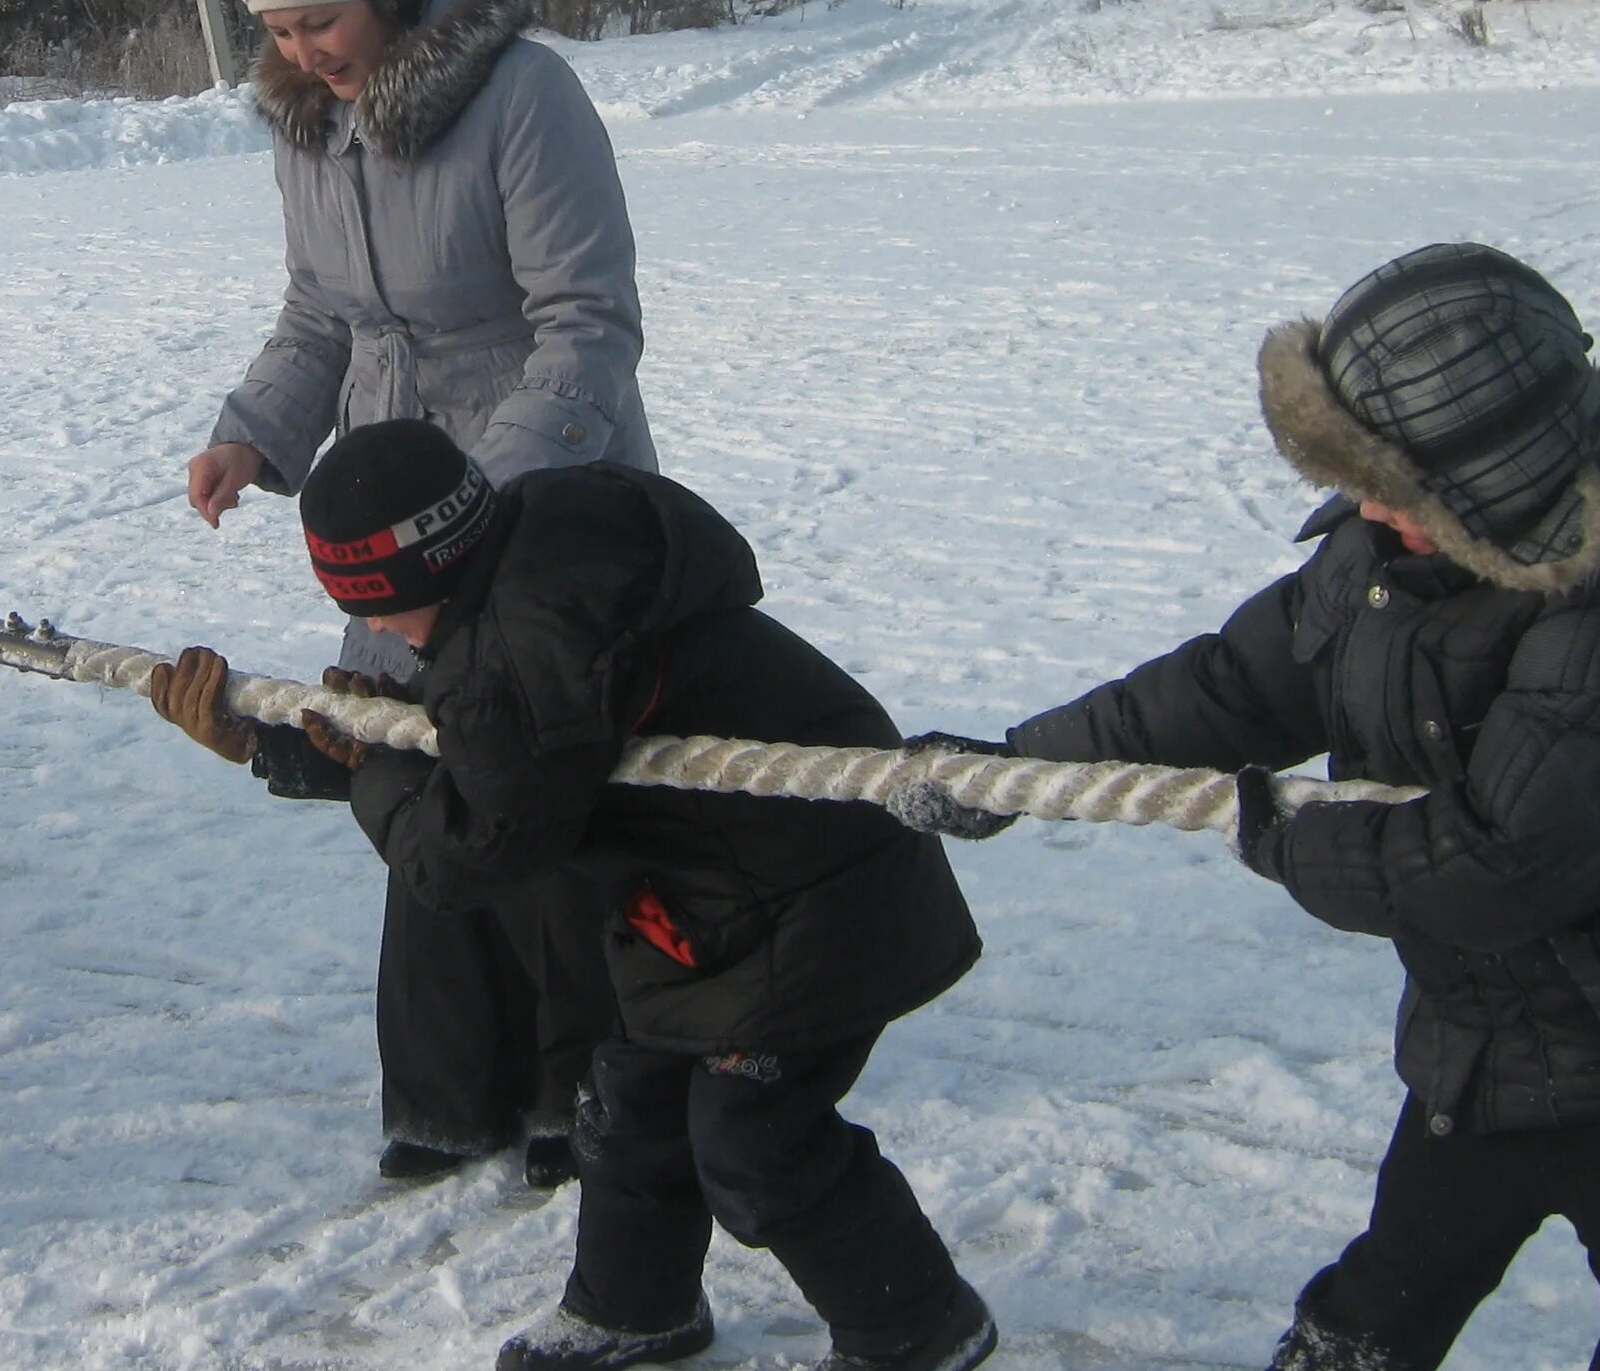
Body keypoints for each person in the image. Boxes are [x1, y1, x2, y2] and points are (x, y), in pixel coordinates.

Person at [978, 244, 1600, 1371]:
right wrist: (1017, 764)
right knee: (1371, 1317)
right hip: (1486, 1050)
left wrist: (1284, 832)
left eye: (1394, 485)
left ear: (1495, 485)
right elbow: (1236, 683)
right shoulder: (1378, 558)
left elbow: (1498, 863)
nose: (1361, 504)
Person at [158, 422, 993, 1371]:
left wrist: (367, 772)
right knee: (631, 1102)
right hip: (711, 892)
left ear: (424, 574)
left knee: (754, 1134)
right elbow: (500, 768)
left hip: (815, 903)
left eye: (378, 609)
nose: (378, 632)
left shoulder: (521, 658)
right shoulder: (541, 558)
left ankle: (920, 1325)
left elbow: (468, 853)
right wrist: (298, 747)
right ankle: (635, 1308)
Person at [183, 0, 633, 1183]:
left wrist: (486, 495)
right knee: (419, 774)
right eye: (275, 25)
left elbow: (587, 323)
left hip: (540, 483)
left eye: (321, 15)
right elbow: (324, 313)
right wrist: (253, 429)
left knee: (538, 779)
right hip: (399, 501)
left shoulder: (525, 94)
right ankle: (448, 1089)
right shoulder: (306, 126)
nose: (301, 48)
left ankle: (575, 1089)